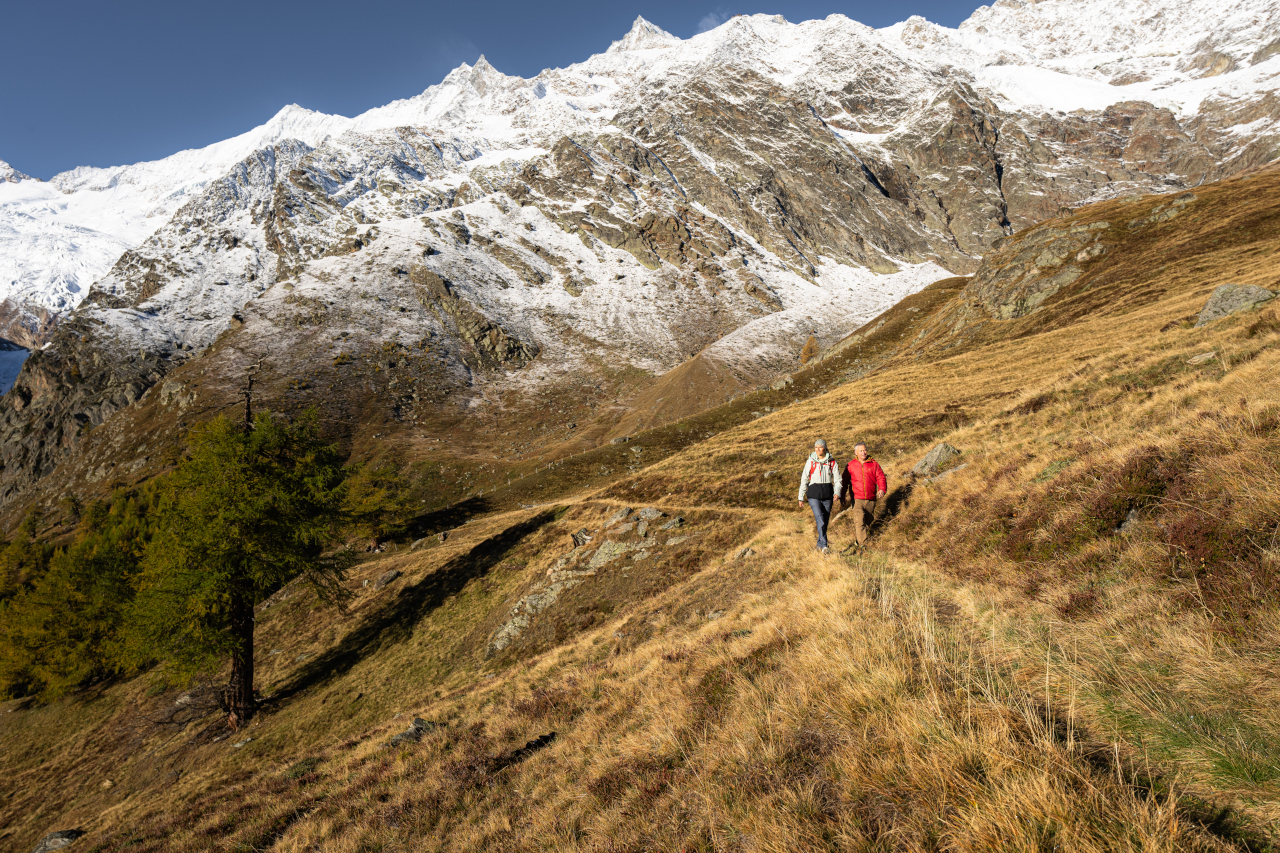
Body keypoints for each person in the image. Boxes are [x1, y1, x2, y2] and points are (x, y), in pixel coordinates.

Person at [798, 438, 842, 553]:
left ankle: (819, 544)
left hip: (828, 495)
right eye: (816, 447)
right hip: (813, 495)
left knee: (825, 521)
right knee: (820, 519)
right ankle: (824, 546)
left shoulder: (832, 462)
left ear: (825, 448)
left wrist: (837, 492)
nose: (818, 449)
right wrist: (801, 496)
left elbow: (838, 479)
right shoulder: (810, 461)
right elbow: (804, 479)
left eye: (820, 447)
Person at [843, 442, 887, 549]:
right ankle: (864, 545)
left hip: (871, 497)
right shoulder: (850, 465)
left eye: (865, 450)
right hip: (856, 498)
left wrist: (881, 489)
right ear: (856, 452)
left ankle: (859, 541)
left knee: (868, 520)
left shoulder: (874, 464)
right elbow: (844, 481)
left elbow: (881, 477)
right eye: (861, 451)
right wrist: (841, 495)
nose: (864, 452)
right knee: (859, 520)